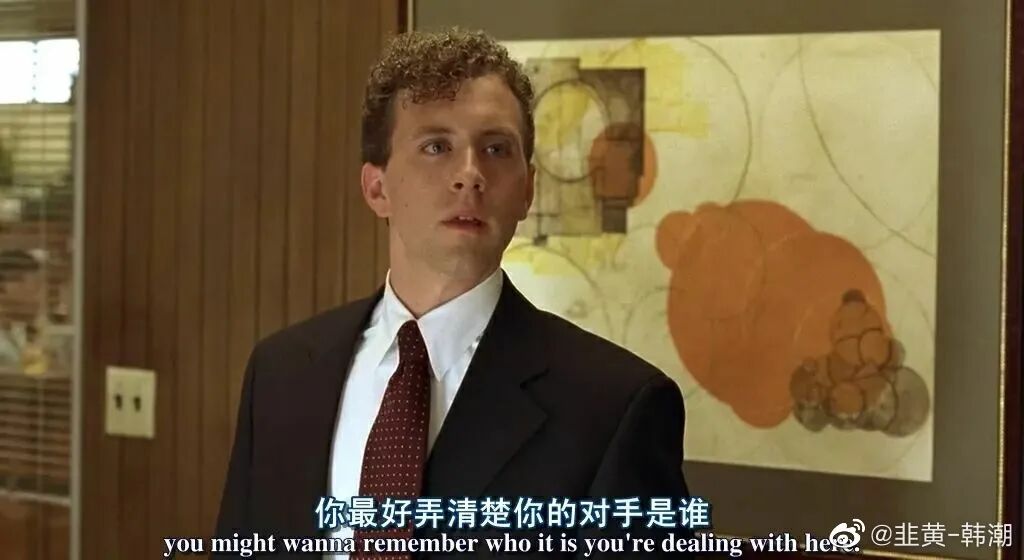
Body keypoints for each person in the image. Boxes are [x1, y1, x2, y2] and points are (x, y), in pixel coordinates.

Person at [216, 28, 692, 558]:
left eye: (495, 149)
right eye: (436, 146)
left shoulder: (615, 407)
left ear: (528, 190)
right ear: (377, 188)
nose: (470, 174)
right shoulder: (281, 373)